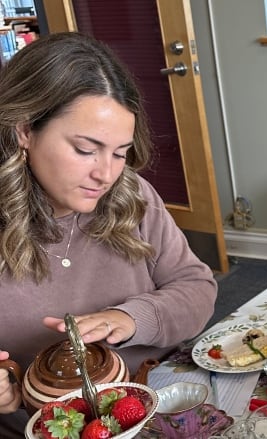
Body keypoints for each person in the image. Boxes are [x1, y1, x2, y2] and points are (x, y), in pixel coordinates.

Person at [0, 32, 217, 435]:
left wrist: (129, 318)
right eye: (86, 149)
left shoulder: (131, 195)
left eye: (120, 153)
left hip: (158, 406)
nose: (106, 174)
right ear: (24, 131)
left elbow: (198, 289)